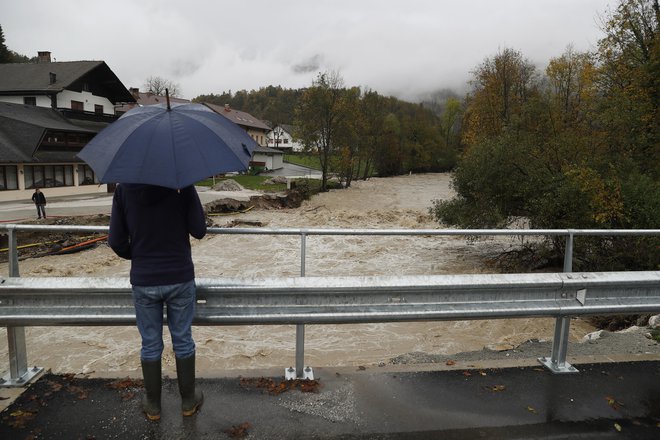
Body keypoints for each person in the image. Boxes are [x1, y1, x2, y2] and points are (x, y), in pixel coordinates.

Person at [108, 183, 207, 421]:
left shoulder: (124, 190)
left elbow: (116, 240)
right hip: (179, 276)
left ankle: (153, 405)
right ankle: (188, 401)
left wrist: (139, 254)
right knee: (183, 339)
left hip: (144, 280)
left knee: (150, 343)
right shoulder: (181, 184)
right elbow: (199, 230)